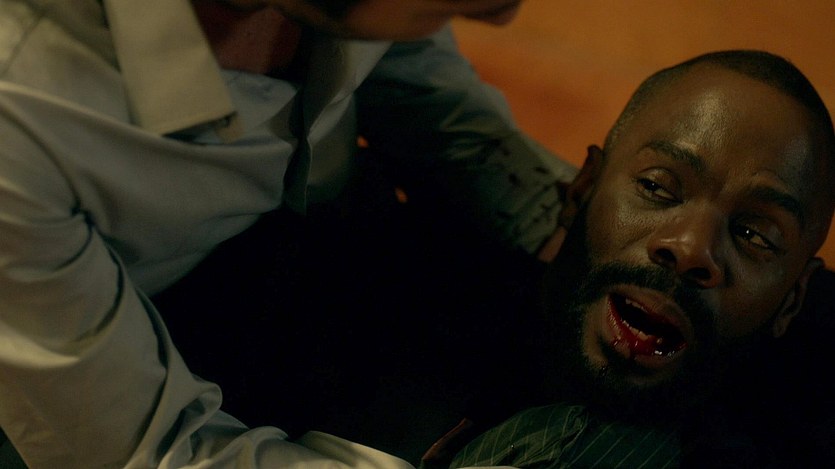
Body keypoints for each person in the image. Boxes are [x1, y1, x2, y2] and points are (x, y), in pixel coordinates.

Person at [0, 0, 580, 467]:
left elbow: (405, 71)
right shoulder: (23, 114)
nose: (501, 16)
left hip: (323, 259)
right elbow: (148, 449)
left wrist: (562, 222)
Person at [420, 49, 835, 468]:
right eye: (657, 188)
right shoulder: (404, 307)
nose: (690, 248)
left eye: (755, 235)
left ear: (793, 299)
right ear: (583, 188)